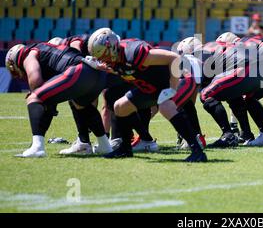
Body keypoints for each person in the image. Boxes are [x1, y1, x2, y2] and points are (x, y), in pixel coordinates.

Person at [87, 28, 207, 162]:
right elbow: (127, 71)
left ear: (112, 47)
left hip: (170, 80)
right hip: (149, 87)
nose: (104, 61)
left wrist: (172, 89)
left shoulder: (134, 52)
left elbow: (174, 58)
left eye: (104, 56)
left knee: (166, 107)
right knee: (120, 106)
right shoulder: (116, 60)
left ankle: (197, 151)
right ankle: (125, 149)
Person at [5, 42, 112, 157]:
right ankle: (104, 145)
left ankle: (37, 148)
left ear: (14, 61)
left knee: (34, 97)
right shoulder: (44, 50)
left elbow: (35, 81)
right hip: (96, 74)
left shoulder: (27, 54)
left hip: (79, 70)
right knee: (81, 105)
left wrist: (37, 97)